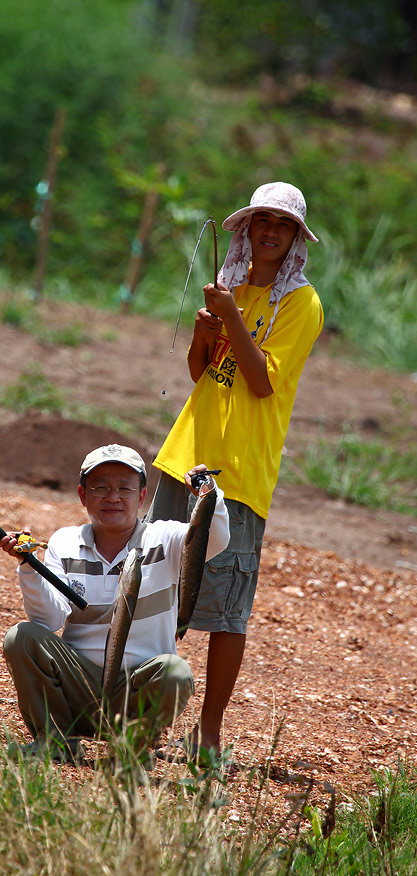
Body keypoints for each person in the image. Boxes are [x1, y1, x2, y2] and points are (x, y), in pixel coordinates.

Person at [146, 182, 324, 760]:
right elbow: (204, 372)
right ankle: (140, 714)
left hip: (239, 473)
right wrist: (205, 331)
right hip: (184, 456)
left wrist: (230, 320)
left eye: (283, 225)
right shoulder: (233, 288)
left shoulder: (302, 303)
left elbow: (263, 380)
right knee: (153, 586)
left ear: (296, 238)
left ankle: (210, 729)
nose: (269, 232)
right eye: (260, 221)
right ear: (245, 228)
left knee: (227, 609)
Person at [0, 443, 230, 764]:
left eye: (124, 488)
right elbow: (48, 620)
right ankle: (56, 740)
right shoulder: (65, 542)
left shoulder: (166, 538)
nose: (113, 497)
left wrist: (208, 493)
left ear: (142, 496)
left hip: (136, 689)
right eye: (100, 488)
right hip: (79, 686)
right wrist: (28, 566)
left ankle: (128, 748)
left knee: (176, 673)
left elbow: (214, 537)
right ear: (82, 495)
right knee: (21, 637)